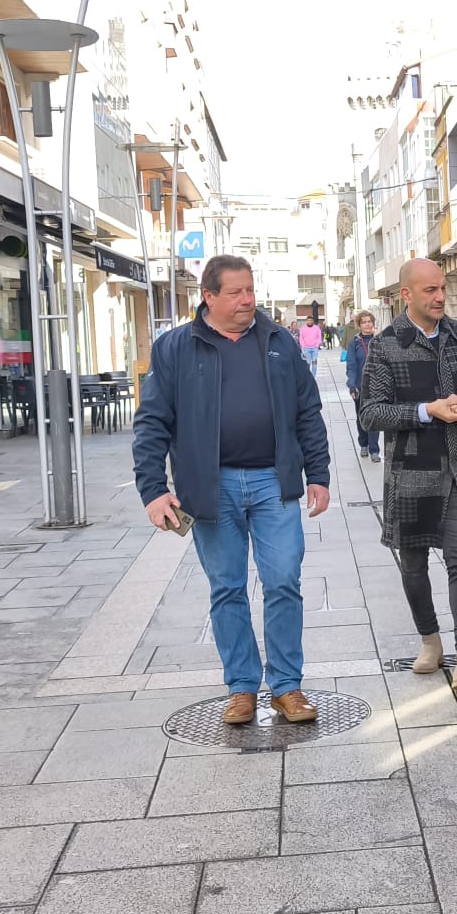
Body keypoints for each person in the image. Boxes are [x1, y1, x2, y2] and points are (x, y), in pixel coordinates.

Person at [134, 255, 330, 726]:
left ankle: (286, 686)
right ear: (209, 296)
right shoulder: (176, 347)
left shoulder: (278, 340)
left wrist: (318, 475)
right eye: (237, 292)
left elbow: (308, 411)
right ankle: (241, 687)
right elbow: (152, 421)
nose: (248, 300)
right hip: (211, 485)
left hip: (273, 482)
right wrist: (153, 489)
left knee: (283, 579)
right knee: (227, 588)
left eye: (250, 290)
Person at [358, 259, 457, 690]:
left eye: (442, 288)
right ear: (406, 295)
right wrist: (427, 411)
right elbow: (371, 413)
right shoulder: (386, 345)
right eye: (430, 290)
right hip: (410, 470)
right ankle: (430, 641)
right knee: (414, 565)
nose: (440, 297)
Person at [344, 310, 382, 461]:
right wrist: (352, 385)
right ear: (359, 325)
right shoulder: (354, 343)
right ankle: (364, 444)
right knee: (361, 417)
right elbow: (351, 365)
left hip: (377, 386)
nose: (367, 324)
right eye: (364, 322)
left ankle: (374, 450)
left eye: (369, 321)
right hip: (360, 386)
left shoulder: (380, 341)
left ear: (373, 323)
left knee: (375, 417)